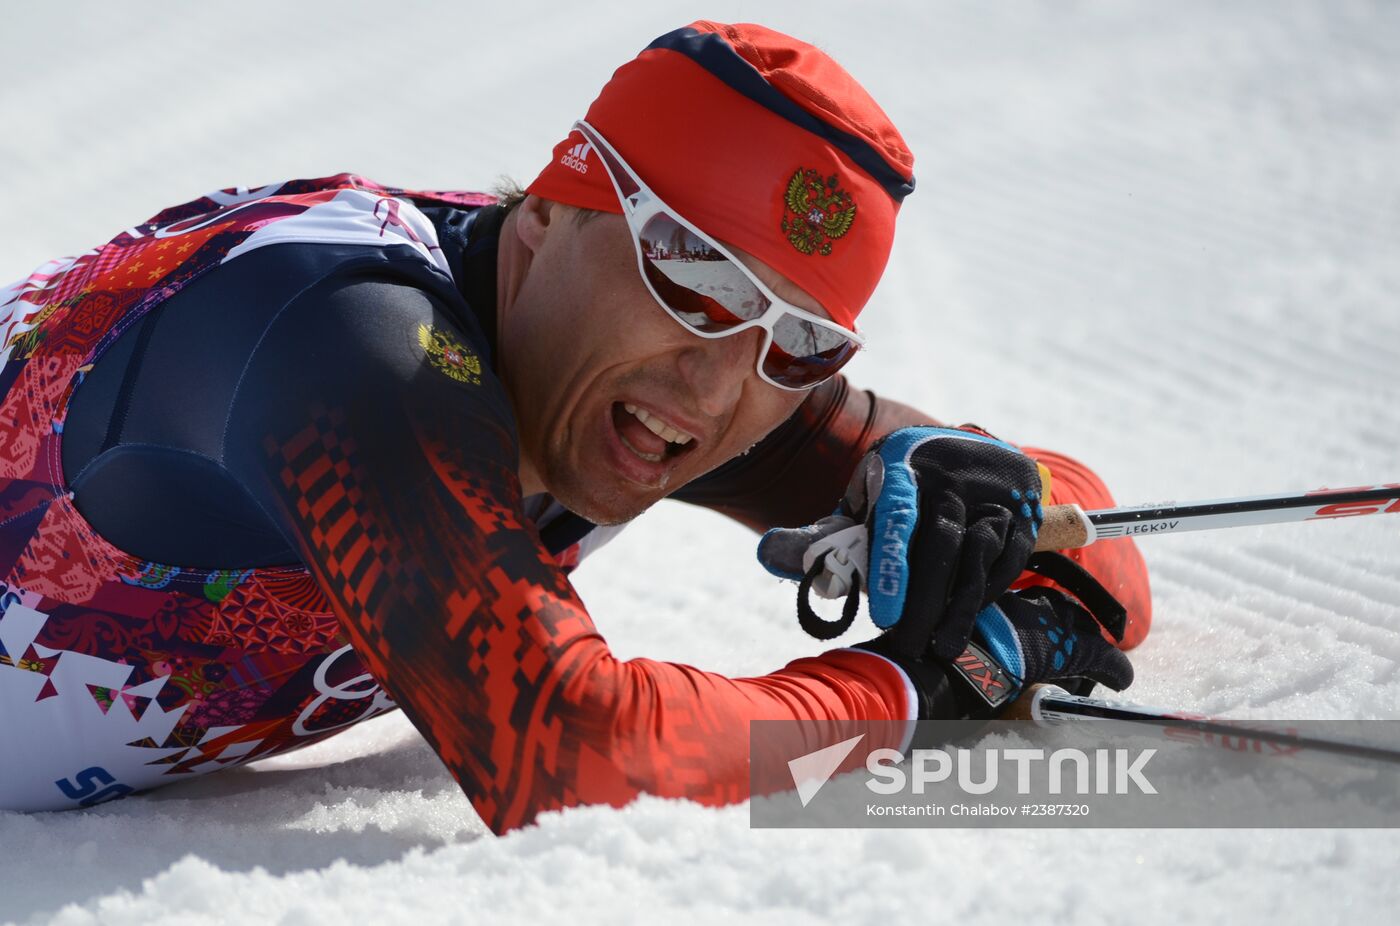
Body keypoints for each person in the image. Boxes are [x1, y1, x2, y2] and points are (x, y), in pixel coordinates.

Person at [0, 21, 1150, 831]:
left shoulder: (652, 368)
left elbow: (1101, 550)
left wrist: (993, 517)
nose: (714, 385)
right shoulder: (351, 344)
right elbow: (560, 747)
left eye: (796, 340)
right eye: (687, 273)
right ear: (551, 207)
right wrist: (901, 697)